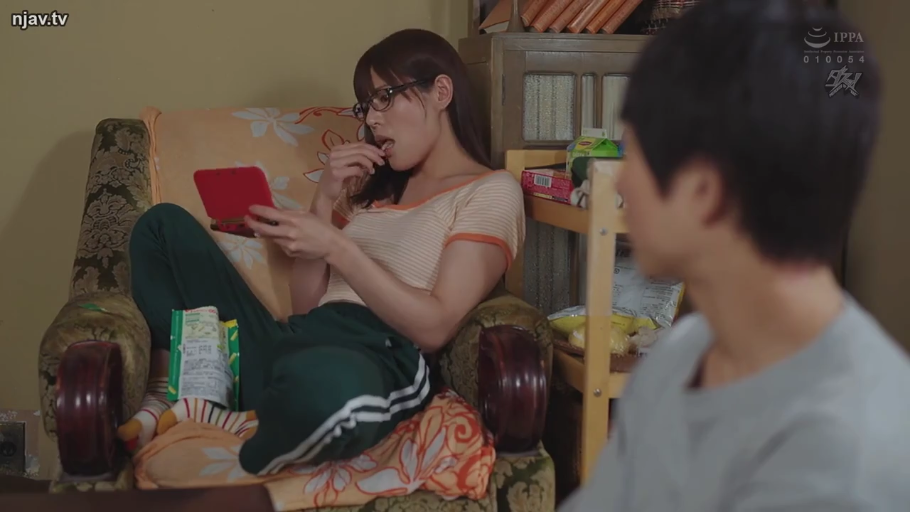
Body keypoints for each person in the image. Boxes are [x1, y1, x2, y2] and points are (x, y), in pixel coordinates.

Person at [116, 28, 525, 476]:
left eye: (384, 98)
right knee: (161, 227)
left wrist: (337, 247)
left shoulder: (490, 191)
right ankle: (185, 393)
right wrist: (325, 199)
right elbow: (305, 308)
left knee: (329, 386)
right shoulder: (372, 193)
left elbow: (436, 325)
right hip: (296, 340)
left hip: (375, 351)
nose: (373, 119)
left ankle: (261, 426)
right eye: (366, 105)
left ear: (441, 91)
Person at [560, 0, 910, 511]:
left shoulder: (847, 457)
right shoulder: (680, 357)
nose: (618, 181)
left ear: (706, 191)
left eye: (632, 153)